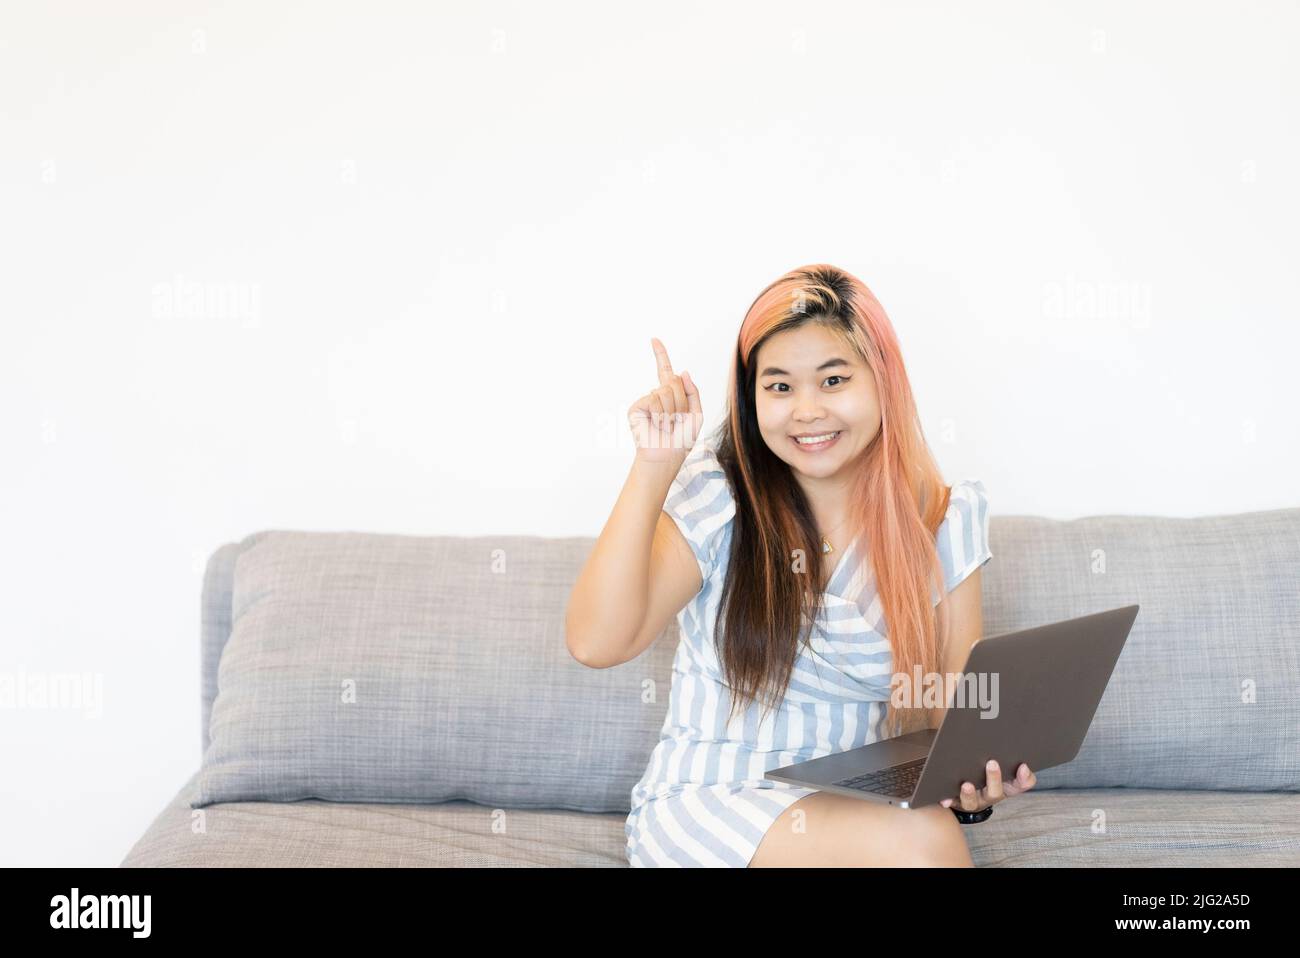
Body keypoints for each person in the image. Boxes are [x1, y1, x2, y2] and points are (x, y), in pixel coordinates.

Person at [565, 264, 1036, 867]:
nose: (806, 411)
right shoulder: (718, 496)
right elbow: (596, 641)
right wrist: (655, 465)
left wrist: (975, 781)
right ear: (752, 397)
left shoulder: (943, 518)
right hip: (715, 796)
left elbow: (949, 715)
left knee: (925, 830)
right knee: (924, 842)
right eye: (780, 387)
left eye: (833, 380)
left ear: (883, 383)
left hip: (858, 799)